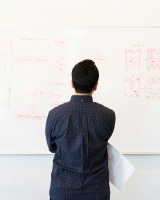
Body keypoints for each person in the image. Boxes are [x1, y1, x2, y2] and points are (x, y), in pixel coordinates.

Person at [45, 59, 116, 200]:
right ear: (96, 85)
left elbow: (52, 147)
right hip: (96, 190)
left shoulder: (55, 114)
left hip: (63, 189)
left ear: (72, 83)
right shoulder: (108, 115)